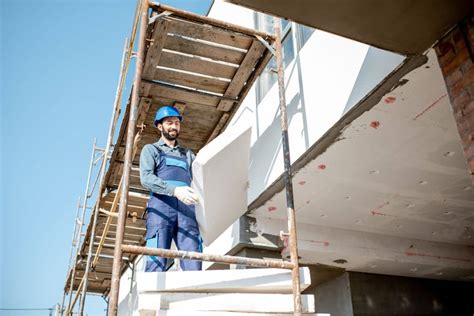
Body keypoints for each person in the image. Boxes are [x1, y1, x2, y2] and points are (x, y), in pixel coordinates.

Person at [139, 105, 202, 272]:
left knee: (193, 257)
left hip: (186, 209)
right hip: (161, 208)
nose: (174, 126)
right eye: (169, 123)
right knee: (156, 257)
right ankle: (152, 297)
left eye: (177, 123)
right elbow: (146, 179)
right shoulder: (152, 150)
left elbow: (203, 175)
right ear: (160, 126)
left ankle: (193, 293)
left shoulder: (188, 155)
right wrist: (174, 190)